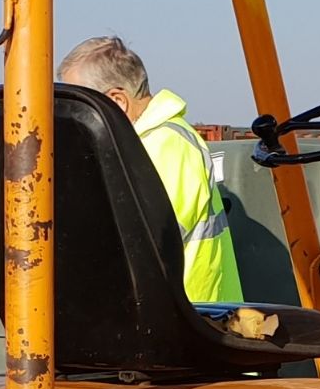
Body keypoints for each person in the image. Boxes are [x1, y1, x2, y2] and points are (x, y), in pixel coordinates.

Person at [58, 35, 243, 304]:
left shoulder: (166, 146)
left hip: (188, 318)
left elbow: (145, 243)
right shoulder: (144, 145)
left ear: (118, 102)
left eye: (79, 107)